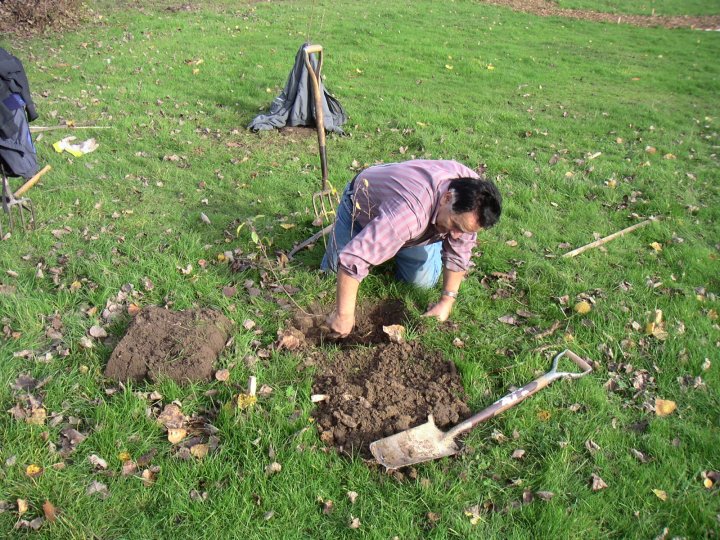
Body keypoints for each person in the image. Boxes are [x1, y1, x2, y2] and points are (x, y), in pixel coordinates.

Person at [321, 159, 502, 337]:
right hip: (362, 207)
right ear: (447, 198)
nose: (455, 236)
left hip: (413, 222)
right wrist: (344, 316)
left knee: (421, 283)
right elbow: (353, 260)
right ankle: (385, 240)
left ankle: (396, 243)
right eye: (455, 226)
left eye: (463, 231)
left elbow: (460, 251)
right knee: (333, 273)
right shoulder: (411, 214)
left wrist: (447, 301)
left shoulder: (476, 200)